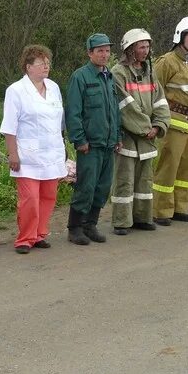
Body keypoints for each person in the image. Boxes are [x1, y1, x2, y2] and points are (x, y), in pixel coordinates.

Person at [0, 45, 66, 254]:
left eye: (48, 63)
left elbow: (60, 121)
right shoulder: (16, 91)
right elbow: (9, 126)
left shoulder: (54, 87)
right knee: (29, 198)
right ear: (29, 67)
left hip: (52, 151)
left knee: (49, 196)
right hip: (27, 154)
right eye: (41, 63)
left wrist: (63, 147)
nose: (46, 67)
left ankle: (40, 234)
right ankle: (25, 238)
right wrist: (13, 154)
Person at [112, 29, 170, 234]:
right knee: (124, 180)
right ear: (130, 49)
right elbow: (125, 106)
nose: (145, 51)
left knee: (145, 179)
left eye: (147, 46)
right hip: (128, 136)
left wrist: (159, 126)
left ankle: (143, 218)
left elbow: (161, 101)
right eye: (141, 47)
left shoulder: (150, 72)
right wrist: (147, 128)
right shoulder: (118, 72)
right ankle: (122, 221)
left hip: (148, 135)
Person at [65, 34, 121, 244]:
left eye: (107, 51)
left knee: (103, 187)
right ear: (90, 53)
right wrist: (79, 140)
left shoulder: (109, 76)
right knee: (86, 187)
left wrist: (117, 136)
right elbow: (73, 112)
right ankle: (75, 227)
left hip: (108, 144)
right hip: (90, 145)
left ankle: (91, 225)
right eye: (100, 51)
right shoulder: (80, 77)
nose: (104, 55)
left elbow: (114, 110)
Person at [151, 17, 188, 225]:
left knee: (186, 168)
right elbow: (154, 92)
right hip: (174, 123)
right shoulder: (167, 62)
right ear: (180, 37)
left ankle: (180, 207)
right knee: (169, 166)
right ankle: (161, 210)